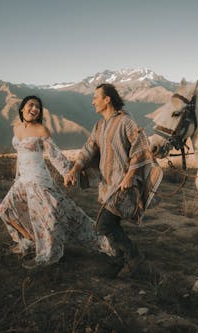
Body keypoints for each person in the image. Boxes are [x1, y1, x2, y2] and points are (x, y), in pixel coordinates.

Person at [0, 95, 113, 269]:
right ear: (22, 108)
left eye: (38, 107)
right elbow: (20, 156)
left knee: (55, 217)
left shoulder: (41, 130)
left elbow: (54, 155)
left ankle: (50, 253)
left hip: (38, 181)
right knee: (4, 210)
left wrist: (69, 172)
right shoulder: (16, 128)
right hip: (22, 180)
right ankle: (28, 240)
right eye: (31, 105)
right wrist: (17, 177)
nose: (34, 109)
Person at [64, 83, 163, 278]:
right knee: (111, 225)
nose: (93, 101)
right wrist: (75, 169)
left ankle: (137, 262)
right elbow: (88, 149)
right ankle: (119, 261)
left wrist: (129, 176)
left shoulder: (126, 121)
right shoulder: (99, 125)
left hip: (123, 186)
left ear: (107, 99)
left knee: (104, 225)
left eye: (96, 97)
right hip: (106, 185)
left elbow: (142, 146)